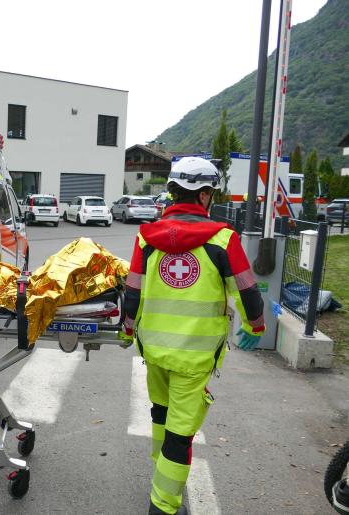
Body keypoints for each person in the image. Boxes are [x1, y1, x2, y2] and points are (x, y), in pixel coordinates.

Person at [121, 156, 265, 515]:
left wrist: (127, 328)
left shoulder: (146, 238)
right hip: (194, 357)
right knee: (180, 434)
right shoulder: (223, 240)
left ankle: (160, 477)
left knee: (160, 413)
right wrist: (255, 326)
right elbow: (247, 292)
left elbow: (133, 292)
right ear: (203, 196)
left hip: (153, 350)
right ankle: (164, 505)